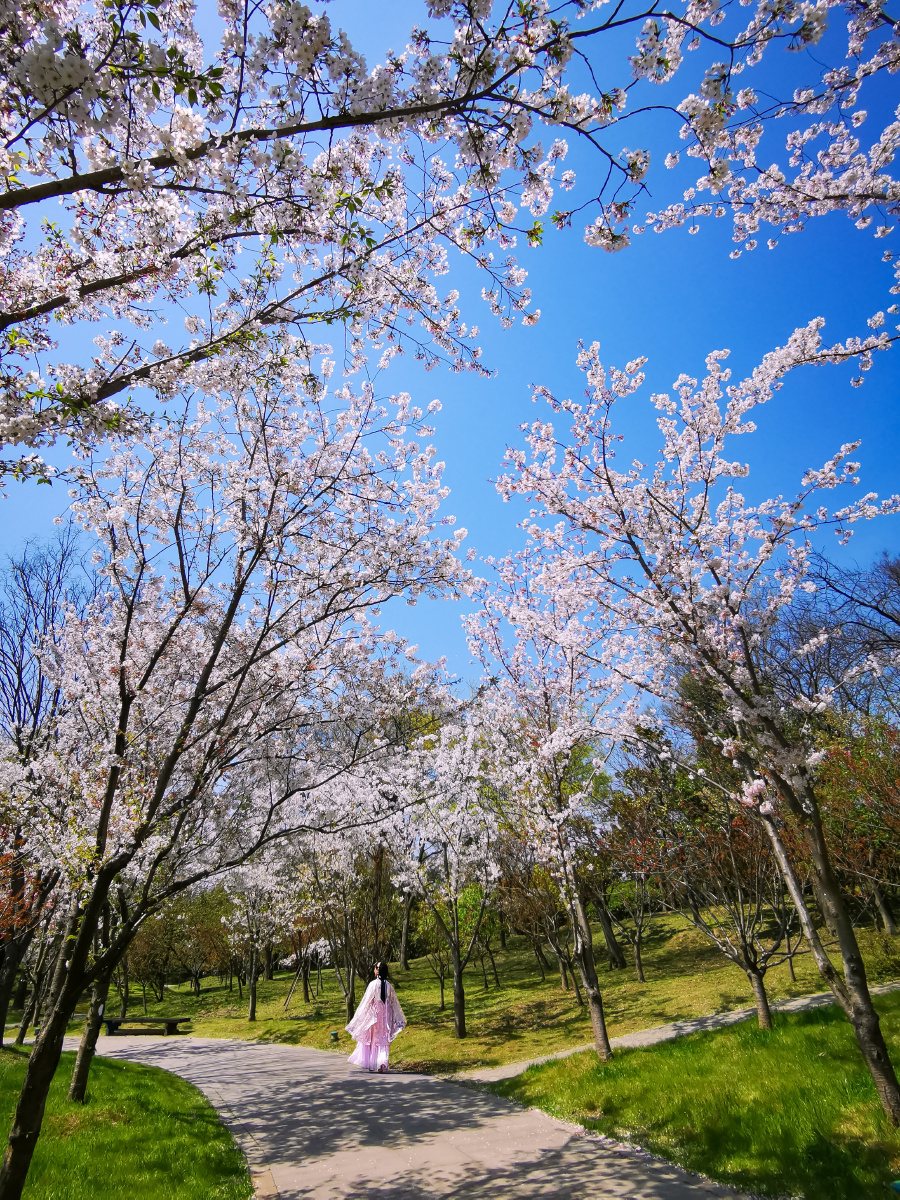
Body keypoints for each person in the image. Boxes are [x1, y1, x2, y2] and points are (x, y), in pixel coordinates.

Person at [345, 961, 406, 1073]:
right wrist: (398, 1018)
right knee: (382, 1039)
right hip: (385, 1017)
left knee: (373, 1040)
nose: (374, 970)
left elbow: (366, 1002)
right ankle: (381, 1062)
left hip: (374, 1017)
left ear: (377, 971)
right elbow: (394, 1004)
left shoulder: (373, 985)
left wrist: (359, 1017)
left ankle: (373, 1063)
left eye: (375, 968)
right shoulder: (389, 986)